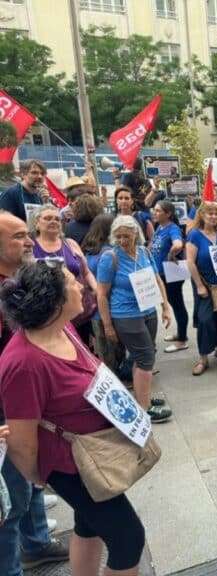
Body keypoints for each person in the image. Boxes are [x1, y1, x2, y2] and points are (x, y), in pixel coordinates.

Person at [0, 261, 147, 576]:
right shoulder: (23, 363)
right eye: (72, 282)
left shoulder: (63, 327)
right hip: (69, 465)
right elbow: (21, 439)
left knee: (88, 522)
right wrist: (37, 475)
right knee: (129, 539)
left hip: (94, 452)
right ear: (54, 301)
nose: (82, 285)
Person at [0, 212, 68, 575]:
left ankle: (38, 541)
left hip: (26, 406)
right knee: (10, 501)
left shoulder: (16, 280)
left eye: (27, 234)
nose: (28, 242)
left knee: (27, 485)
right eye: (17, 237)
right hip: (7, 416)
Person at [96, 215, 173, 422]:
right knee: (145, 357)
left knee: (145, 355)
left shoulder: (144, 252)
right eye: (118, 236)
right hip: (126, 315)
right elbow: (101, 293)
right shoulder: (110, 258)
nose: (122, 240)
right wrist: (108, 324)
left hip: (148, 311)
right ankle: (144, 408)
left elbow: (157, 279)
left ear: (135, 235)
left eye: (126, 236)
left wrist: (165, 306)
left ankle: (142, 395)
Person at [31, 205, 98, 345]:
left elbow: (86, 272)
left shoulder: (70, 244)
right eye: (48, 218)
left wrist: (97, 289)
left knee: (83, 345)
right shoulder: (30, 248)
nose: (53, 221)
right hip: (50, 315)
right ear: (37, 223)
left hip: (78, 310)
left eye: (57, 218)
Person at [186, 202, 217, 376]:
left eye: (216, 213)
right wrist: (199, 285)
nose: (213, 216)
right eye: (210, 213)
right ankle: (203, 358)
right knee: (205, 320)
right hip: (206, 285)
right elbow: (190, 262)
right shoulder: (194, 235)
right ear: (202, 215)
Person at [82, 213, 125, 374]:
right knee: (114, 347)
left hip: (94, 309)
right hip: (111, 307)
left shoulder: (89, 251)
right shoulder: (110, 253)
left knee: (103, 349)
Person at [152, 200, 189, 354]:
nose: (155, 213)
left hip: (171, 271)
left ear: (168, 214)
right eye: (154, 210)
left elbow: (178, 244)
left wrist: (171, 253)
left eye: (158, 211)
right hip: (163, 272)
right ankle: (180, 334)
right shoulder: (159, 227)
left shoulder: (173, 228)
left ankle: (182, 340)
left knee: (177, 304)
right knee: (174, 304)